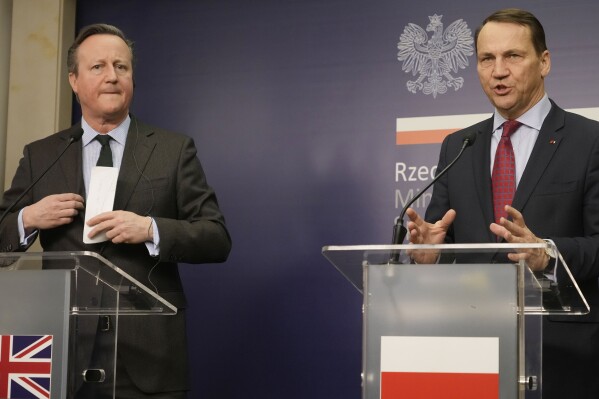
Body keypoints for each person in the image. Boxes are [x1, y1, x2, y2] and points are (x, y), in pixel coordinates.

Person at [0, 24, 231, 398]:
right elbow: (1, 234)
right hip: (63, 353)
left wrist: (152, 229)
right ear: (74, 81)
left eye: (121, 67)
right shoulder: (40, 155)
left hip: (148, 360)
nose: (112, 76)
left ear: (133, 80)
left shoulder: (174, 150)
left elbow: (217, 239)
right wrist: (29, 219)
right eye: (99, 67)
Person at [405, 8, 599, 399]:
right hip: (472, 352)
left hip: (564, 357)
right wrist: (430, 254)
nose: (498, 71)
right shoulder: (459, 145)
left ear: (544, 62)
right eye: (486, 59)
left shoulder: (588, 141)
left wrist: (547, 255)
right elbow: (446, 239)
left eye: (513, 56)